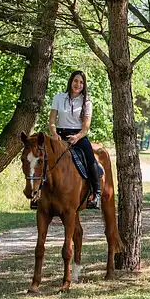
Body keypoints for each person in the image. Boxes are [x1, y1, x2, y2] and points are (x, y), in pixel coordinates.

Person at [48, 70, 102, 209]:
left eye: (81, 82)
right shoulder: (58, 98)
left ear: (84, 85)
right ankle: (39, 195)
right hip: (59, 135)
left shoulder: (87, 102)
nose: (78, 84)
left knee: (90, 158)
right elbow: (52, 121)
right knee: (43, 157)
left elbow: (86, 127)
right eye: (76, 81)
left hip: (78, 136)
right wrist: (54, 134)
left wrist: (77, 137)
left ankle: (96, 194)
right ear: (71, 81)